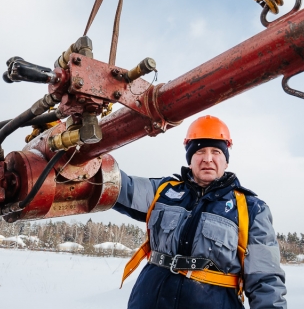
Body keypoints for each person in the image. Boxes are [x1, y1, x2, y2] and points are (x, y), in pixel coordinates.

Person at [113, 115, 287, 309]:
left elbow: (266, 280)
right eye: (200, 151)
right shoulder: (163, 191)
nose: (208, 159)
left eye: (216, 151)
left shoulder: (251, 209)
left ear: (226, 160)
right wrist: (90, 160)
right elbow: (116, 187)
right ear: (190, 159)